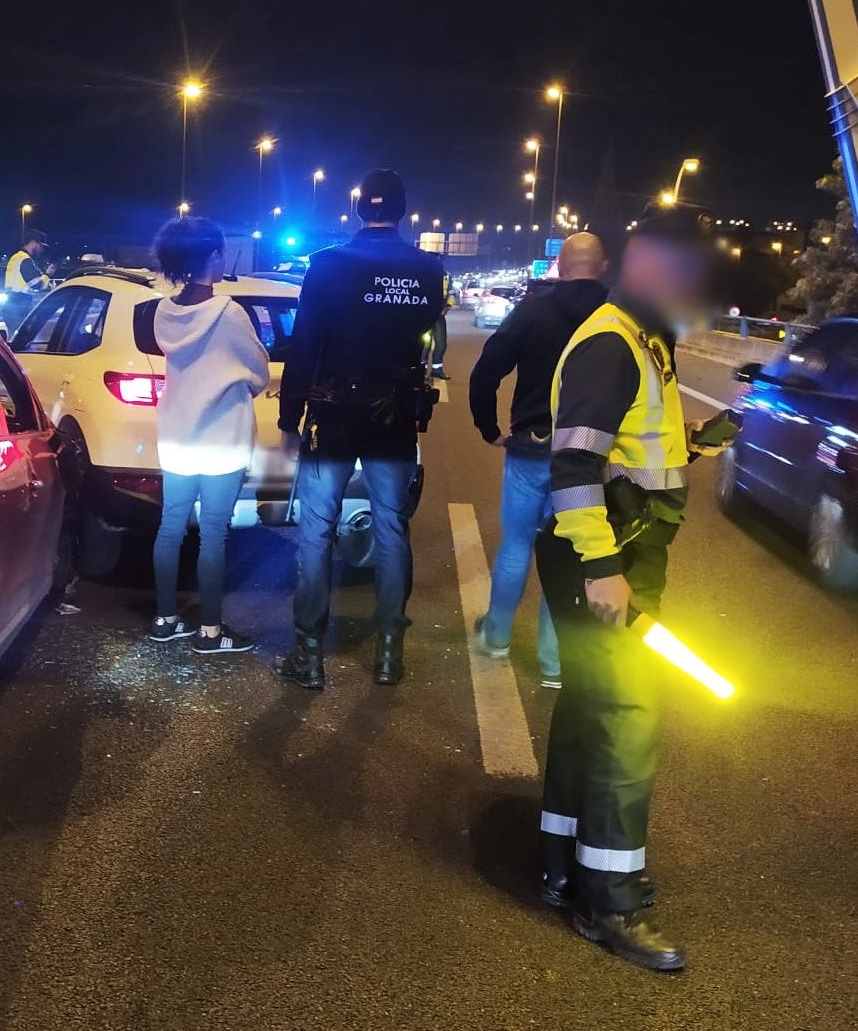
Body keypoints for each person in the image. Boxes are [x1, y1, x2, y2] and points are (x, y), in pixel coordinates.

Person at [534, 202, 727, 972]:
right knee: (628, 716)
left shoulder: (645, 341)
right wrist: (603, 567)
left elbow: (635, 452)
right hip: (604, 556)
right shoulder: (612, 343)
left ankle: (561, 866)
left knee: (589, 706)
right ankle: (607, 901)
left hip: (616, 549)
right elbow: (573, 465)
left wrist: (702, 442)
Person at [275, 168, 445, 689]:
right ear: (402, 210)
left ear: (358, 212)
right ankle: (390, 650)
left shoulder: (327, 265)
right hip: (393, 414)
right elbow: (428, 343)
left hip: (332, 413)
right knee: (392, 527)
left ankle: (309, 654)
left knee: (316, 531)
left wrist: (289, 415)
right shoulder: (426, 268)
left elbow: (305, 343)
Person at [467, 232, 610, 689]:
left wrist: (490, 429)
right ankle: (554, 661)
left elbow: (486, 370)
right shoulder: (618, 318)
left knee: (516, 544)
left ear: (560, 267)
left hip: (532, 445)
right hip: (589, 456)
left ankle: (497, 636)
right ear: (603, 267)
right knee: (566, 552)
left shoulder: (533, 308)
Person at [149, 216, 270, 654]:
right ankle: (211, 632)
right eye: (221, 253)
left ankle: (165, 619)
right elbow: (257, 371)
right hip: (222, 439)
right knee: (213, 534)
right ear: (213, 256)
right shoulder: (229, 313)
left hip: (177, 437)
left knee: (170, 528)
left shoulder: (164, 311)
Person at [4, 230, 52, 318]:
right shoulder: (25, 259)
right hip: (20, 305)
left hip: (11, 304)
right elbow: (36, 284)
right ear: (33, 243)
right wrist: (47, 275)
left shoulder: (16, 257)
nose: (42, 249)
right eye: (41, 246)